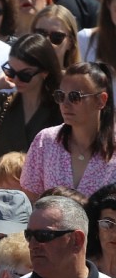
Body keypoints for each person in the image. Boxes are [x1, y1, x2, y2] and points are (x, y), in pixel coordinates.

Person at [20, 62, 116, 199]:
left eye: (75, 97)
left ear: (101, 100)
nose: (65, 104)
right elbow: (30, 200)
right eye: (60, 96)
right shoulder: (45, 141)